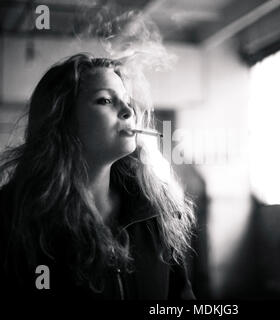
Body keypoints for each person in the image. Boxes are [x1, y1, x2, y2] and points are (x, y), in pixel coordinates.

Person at [0, 53, 196, 300]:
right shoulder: (13, 218)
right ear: (63, 120)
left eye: (126, 100)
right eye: (104, 100)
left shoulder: (155, 211)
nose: (127, 111)